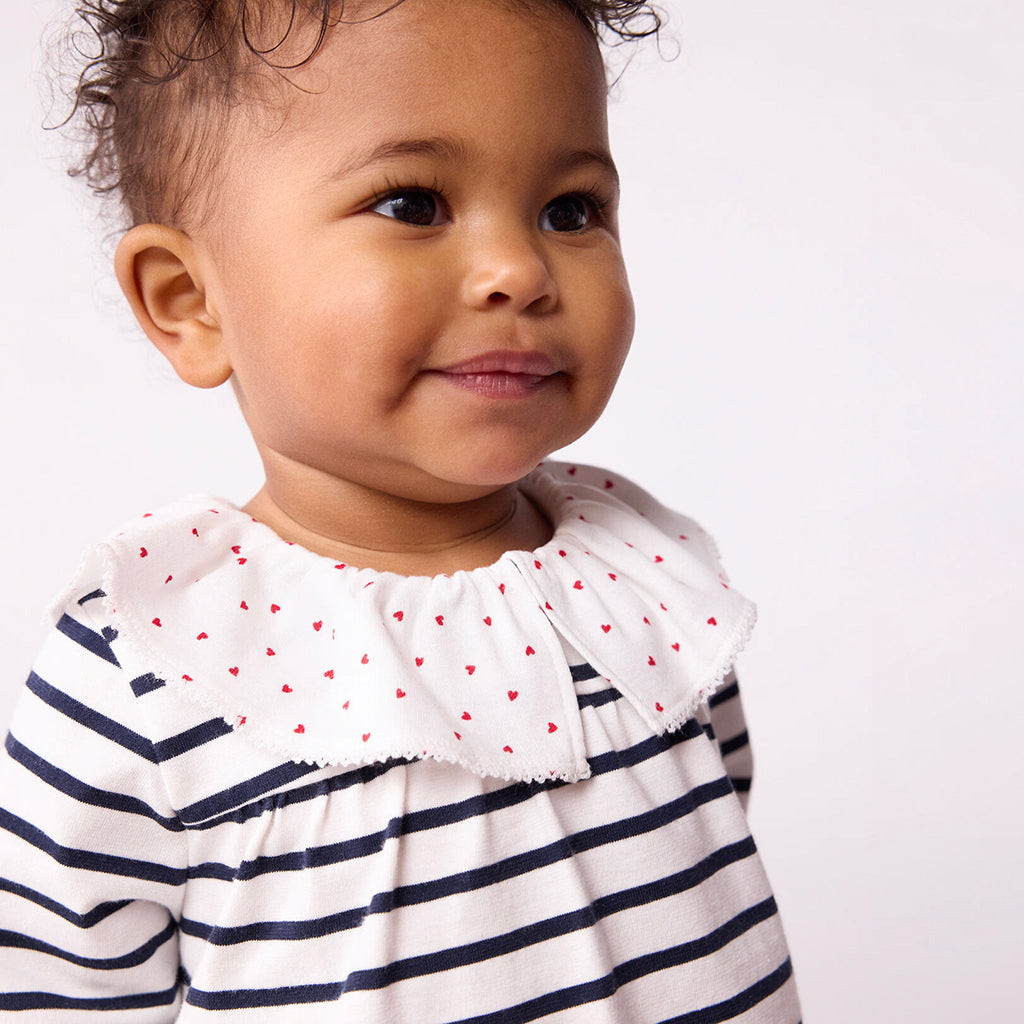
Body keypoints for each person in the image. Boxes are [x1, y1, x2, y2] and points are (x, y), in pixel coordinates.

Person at [0, 0, 801, 1019]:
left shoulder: (646, 582)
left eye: (570, 209)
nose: (520, 270)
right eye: (414, 203)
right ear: (191, 300)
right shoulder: (159, 663)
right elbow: (60, 989)